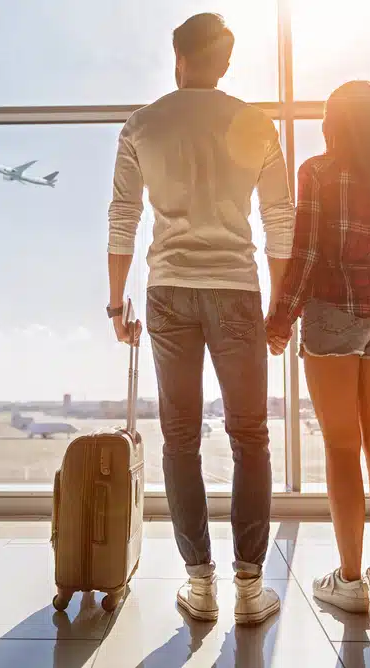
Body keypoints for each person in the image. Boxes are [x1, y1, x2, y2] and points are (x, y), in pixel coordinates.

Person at [106, 13, 294, 625]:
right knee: (250, 437)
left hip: (168, 292)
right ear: (226, 63)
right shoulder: (257, 123)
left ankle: (200, 583)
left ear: (177, 57)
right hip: (236, 288)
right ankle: (248, 585)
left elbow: (123, 216)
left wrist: (116, 302)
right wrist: (279, 308)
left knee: (181, 439)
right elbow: (280, 220)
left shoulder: (142, 125)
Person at [266, 80, 370, 614]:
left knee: (342, 448)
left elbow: (304, 254)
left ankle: (349, 582)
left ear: (334, 121)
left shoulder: (319, 172)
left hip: (332, 315)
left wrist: (281, 319)